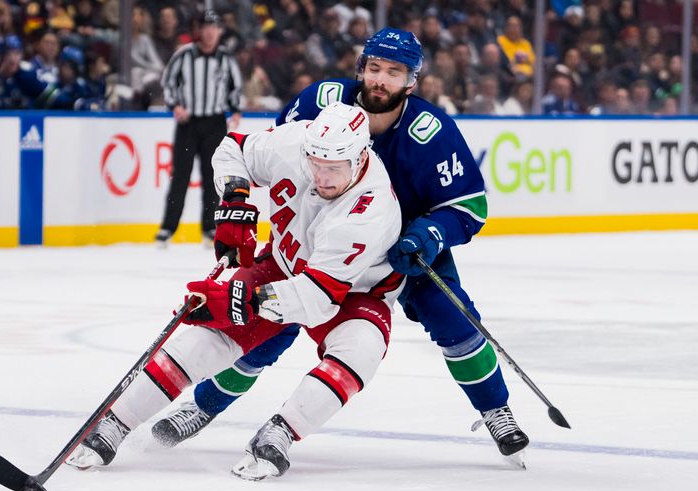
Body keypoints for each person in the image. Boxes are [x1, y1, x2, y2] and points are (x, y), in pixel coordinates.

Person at [155, 27, 530, 464]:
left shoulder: (432, 132)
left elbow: (470, 205)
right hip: (314, 242)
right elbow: (276, 155)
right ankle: (202, 406)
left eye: (394, 72)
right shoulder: (320, 102)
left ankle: (494, 409)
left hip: (401, 253)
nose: (381, 80)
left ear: (412, 81)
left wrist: (430, 234)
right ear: (361, 69)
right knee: (264, 324)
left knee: (455, 318)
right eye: (374, 68)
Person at [66, 102, 403, 480]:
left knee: (361, 352)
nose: (321, 177)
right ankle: (116, 423)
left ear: (360, 159)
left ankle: (280, 433)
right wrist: (235, 203)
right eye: (315, 164)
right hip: (283, 263)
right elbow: (232, 150)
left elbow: (316, 300)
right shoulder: (295, 142)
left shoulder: (367, 212)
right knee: (208, 338)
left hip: (352, 294)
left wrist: (237, 302)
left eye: (333, 169)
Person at [156, 10, 243, 246]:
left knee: (212, 177)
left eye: (213, 28)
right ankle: (167, 228)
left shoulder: (226, 58)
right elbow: (168, 83)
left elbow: (235, 88)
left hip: (214, 123)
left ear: (219, 32)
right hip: (189, 124)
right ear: (199, 31)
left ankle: (209, 228)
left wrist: (235, 109)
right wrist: (175, 105)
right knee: (180, 177)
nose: (209, 33)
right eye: (205, 28)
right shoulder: (183, 56)